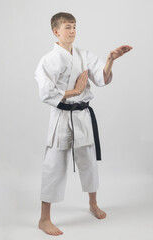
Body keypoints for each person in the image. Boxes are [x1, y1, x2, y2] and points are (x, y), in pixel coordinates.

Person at [34, 12, 133, 236]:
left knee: (89, 161)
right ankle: (44, 218)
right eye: (68, 27)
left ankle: (93, 204)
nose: (73, 31)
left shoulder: (84, 55)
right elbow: (45, 92)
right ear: (56, 32)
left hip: (82, 116)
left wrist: (110, 59)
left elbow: (101, 78)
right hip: (61, 116)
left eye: (75, 27)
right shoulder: (48, 60)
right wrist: (75, 91)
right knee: (54, 165)